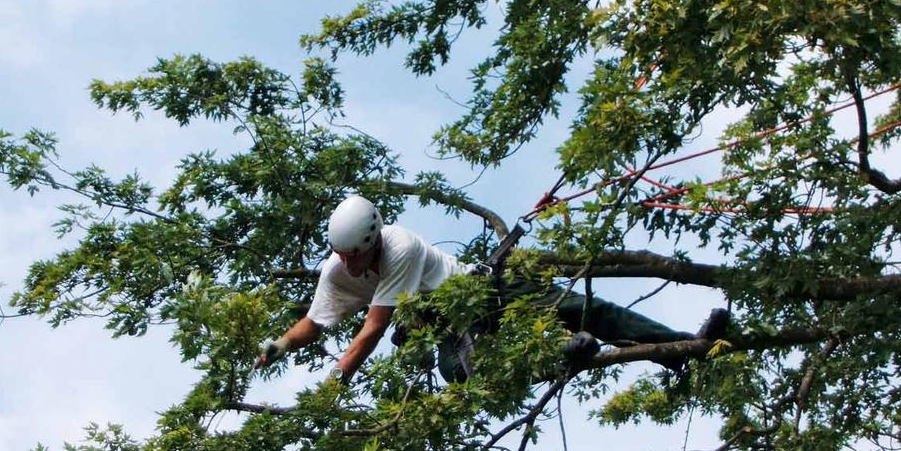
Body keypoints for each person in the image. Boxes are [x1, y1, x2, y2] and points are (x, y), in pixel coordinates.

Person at [256, 195, 728, 383]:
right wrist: (279, 345)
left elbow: (374, 329)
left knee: (586, 306)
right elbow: (313, 323)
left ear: (372, 240)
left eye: (354, 254)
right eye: (340, 254)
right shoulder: (337, 270)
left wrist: (341, 374)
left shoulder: (398, 245)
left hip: (479, 291)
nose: (347, 263)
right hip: (448, 324)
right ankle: (565, 355)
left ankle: (677, 346)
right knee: (461, 373)